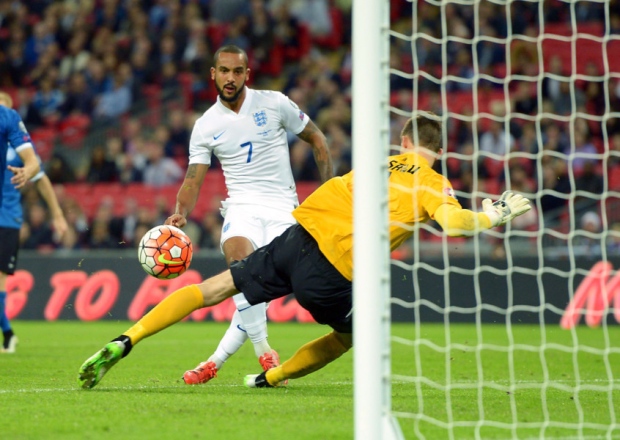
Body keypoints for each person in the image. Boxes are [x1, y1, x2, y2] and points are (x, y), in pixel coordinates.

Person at [78, 113, 532, 389]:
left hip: (297, 238)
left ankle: (126, 338)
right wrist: (493, 215)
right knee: (350, 337)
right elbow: (453, 224)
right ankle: (270, 377)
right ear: (440, 149)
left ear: (405, 143)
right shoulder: (433, 183)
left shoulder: (379, 162)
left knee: (214, 287)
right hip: (334, 272)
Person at [167, 45, 332, 385]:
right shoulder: (205, 125)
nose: (230, 78)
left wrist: (331, 194)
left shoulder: (274, 103)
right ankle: (265, 352)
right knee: (241, 266)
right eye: (224, 71)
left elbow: (317, 139)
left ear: (247, 74)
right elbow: (193, 179)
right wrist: (180, 211)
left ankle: (214, 360)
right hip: (241, 205)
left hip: (284, 210)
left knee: (255, 287)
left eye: (237, 71)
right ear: (212, 74)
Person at [0, 91, 45, 353]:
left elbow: (38, 169)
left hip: (6, 219)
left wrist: (28, 171)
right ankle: (7, 332)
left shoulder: (13, 138)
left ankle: (7, 333)